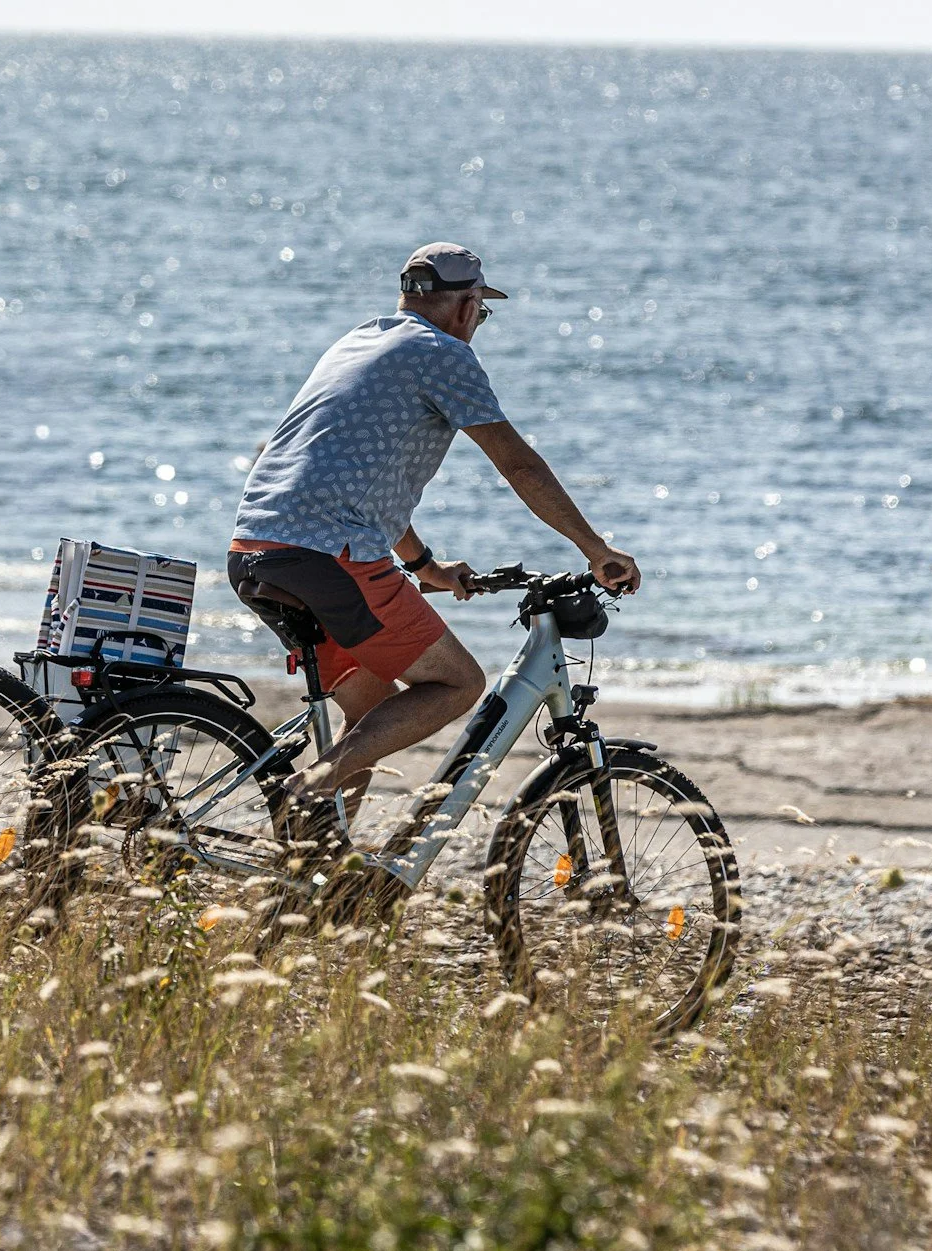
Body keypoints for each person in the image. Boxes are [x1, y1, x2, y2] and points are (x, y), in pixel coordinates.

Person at [228, 241, 640, 822]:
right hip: (328, 558)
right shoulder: (444, 354)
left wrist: (425, 567)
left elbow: (359, 482)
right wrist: (595, 549)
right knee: (458, 683)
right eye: (482, 312)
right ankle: (305, 791)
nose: (478, 322)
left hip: (256, 550)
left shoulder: (360, 340)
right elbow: (518, 464)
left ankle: (316, 864)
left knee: (370, 711)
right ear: (468, 306)